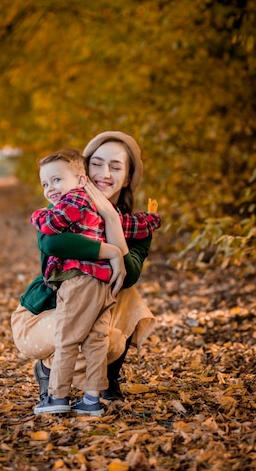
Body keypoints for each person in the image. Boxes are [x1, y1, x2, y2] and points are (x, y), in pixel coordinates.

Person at [11, 131, 159, 413]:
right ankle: (48, 372)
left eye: (115, 167)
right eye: (97, 164)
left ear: (127, 177)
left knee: (118, 316)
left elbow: (130, 274)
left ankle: (101, 384)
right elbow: (51, 240)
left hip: (89, 308)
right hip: (41, 315)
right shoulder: (63, 205)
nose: (104, 173)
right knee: (82, 338)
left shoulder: (134, 225)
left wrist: (112, 220)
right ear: (83, 172)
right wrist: (111, 251)